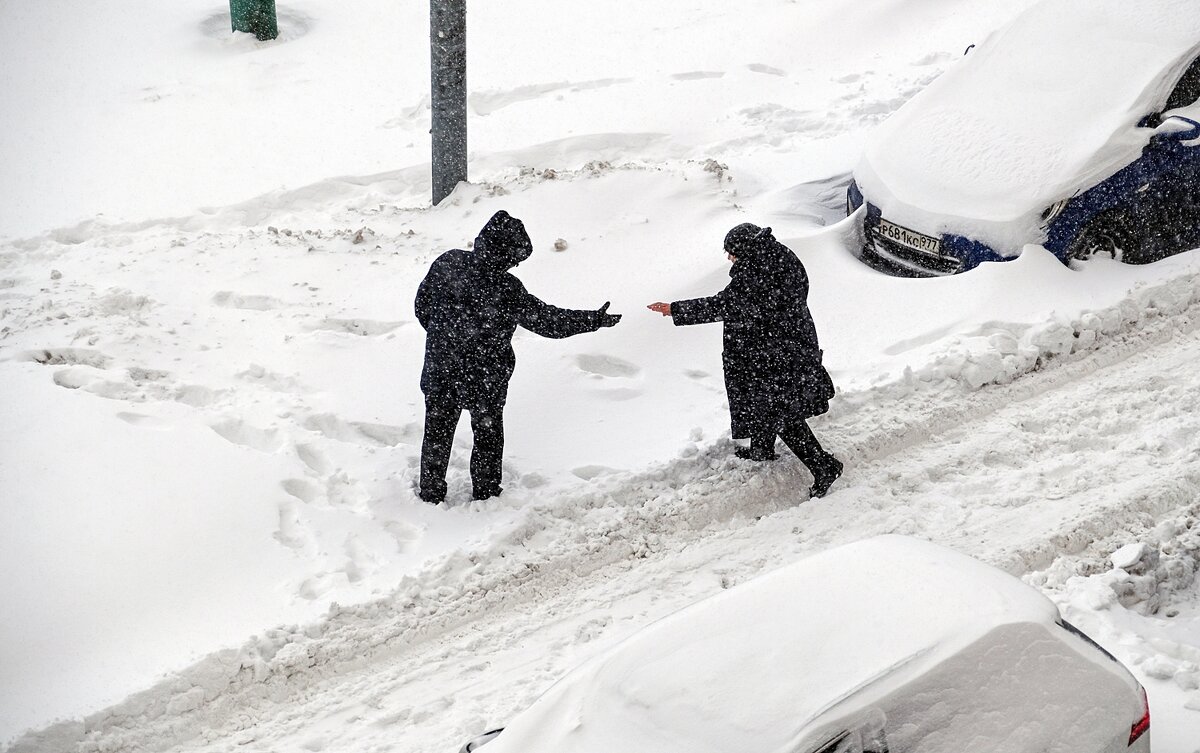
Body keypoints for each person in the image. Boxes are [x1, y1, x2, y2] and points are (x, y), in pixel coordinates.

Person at [415, 210, 622, 504]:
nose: (515, 264)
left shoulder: (448, 263)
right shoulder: (507, 289)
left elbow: (422, 308)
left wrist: (445, 340)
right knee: (487, 436)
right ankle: (487, 496)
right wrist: (592, 320)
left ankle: (431, 492)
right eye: (515, 258)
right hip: (485, 381)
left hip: (441, 371)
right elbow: (549, 321)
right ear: (503, 254)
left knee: (437, 433)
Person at [647, 223, 842, 498]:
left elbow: (723, 305)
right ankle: (762, 449)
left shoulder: (756, 272)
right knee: (766, 403)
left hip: (775, 353)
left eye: (731, 253)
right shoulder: (779, 255)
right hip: (786, 344)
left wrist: (675, 310)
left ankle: (824, 466)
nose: (729, 258)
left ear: (745, 251)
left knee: (780, 413)